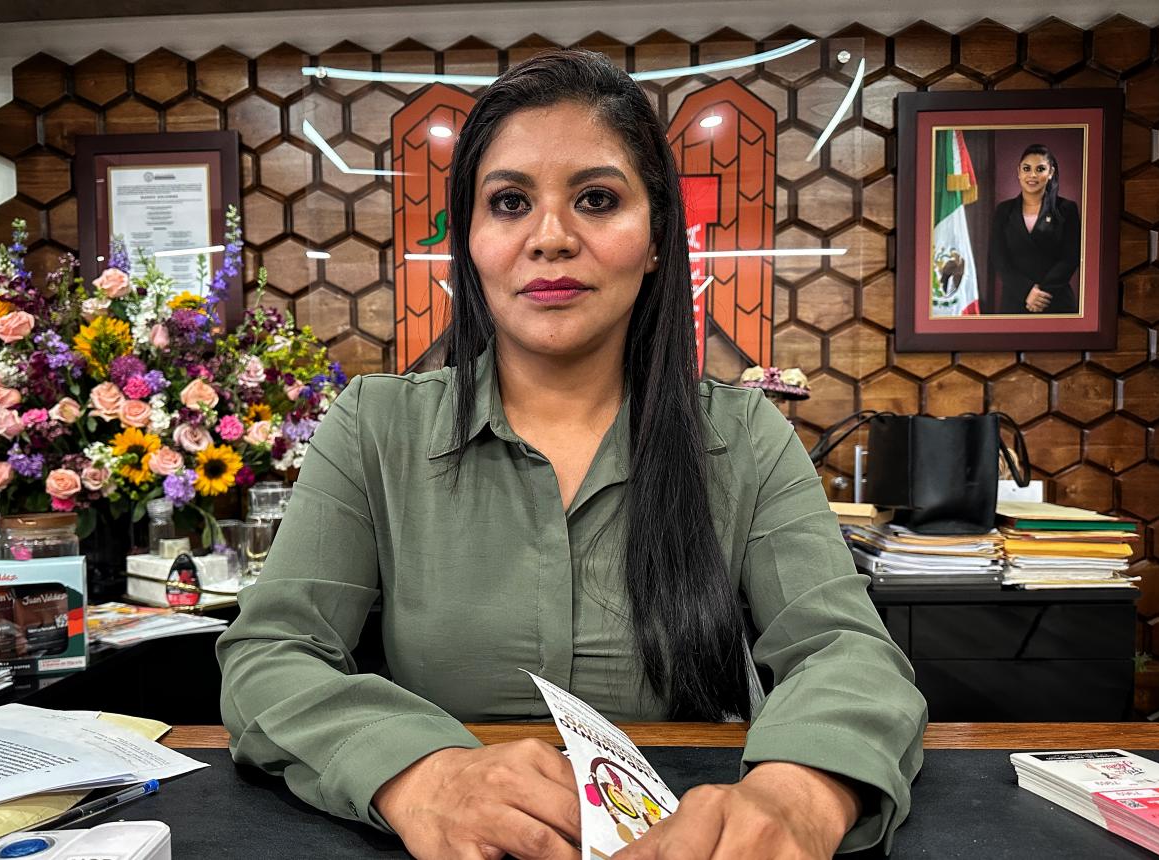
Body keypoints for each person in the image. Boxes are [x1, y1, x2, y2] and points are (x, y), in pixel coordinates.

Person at [217, 49, 925, 860]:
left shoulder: (744, 437)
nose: (550, 238)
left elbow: (848, 654)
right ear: (471, 244)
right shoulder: (375, 428)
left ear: (656, 238)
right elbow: (272, 655)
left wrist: (801, 791)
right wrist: (420, 775)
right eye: (509, 202)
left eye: (596, 199)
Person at [990, 143, 1082, 315]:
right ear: (1018, 172)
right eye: (1027, 168)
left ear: (1051, 173)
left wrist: (1040, 294)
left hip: (1056, 301)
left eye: (1040, 169)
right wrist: (1026, 292)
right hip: (1015, 301)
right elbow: (998, 257)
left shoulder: (1067, 209)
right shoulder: (1004, 210)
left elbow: (1071, 258)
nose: (1032, 175)